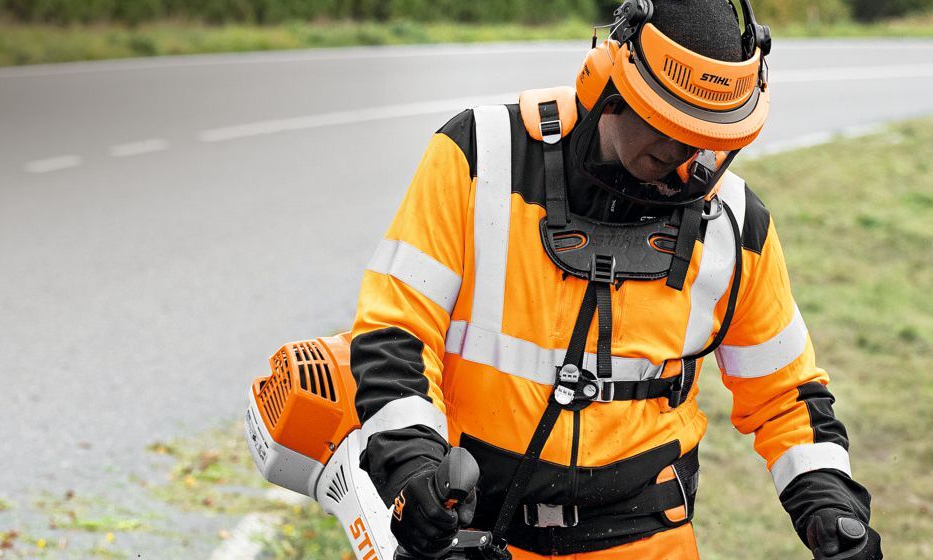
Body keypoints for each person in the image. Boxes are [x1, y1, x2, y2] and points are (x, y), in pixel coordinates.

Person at [346, 1, 881, 558]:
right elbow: (395, 331)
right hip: (469, 525)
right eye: (672, 126)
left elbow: (787, 393)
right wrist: (413, 467)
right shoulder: (481, 156)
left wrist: (828, 505)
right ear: (612, 85)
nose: (686, 154)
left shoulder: (735, 224)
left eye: (708, 136)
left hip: (645, 537)